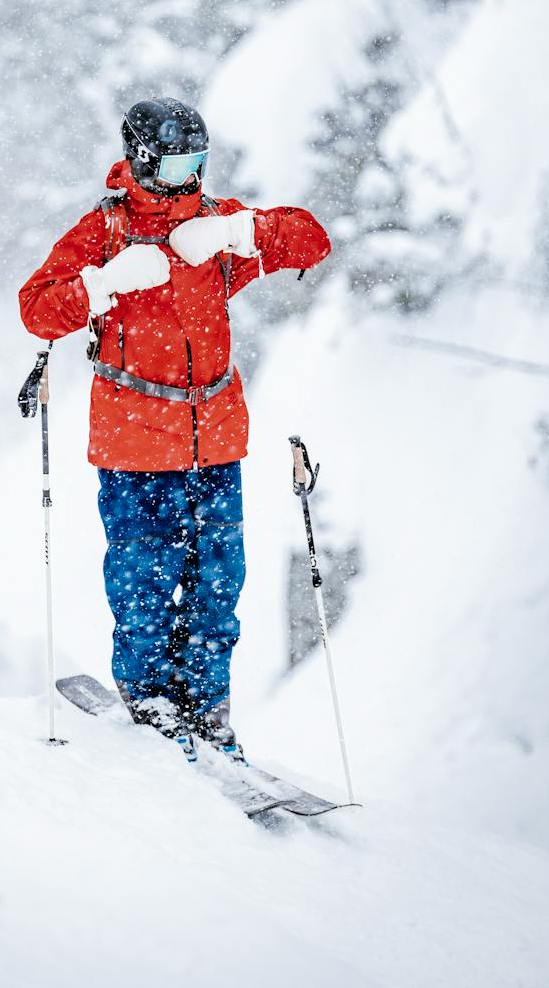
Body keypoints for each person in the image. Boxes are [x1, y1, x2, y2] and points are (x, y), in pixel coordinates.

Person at [18, 97, 330, 759]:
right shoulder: (102, 233)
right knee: (145, 580)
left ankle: (208, 706)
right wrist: (103, 283)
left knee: (221, 580)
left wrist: (242, 231)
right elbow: (37, 308)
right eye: (173, 164)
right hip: (133, 447)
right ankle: (151, 698)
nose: (186, 178)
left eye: (197, 163)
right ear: (139, 159)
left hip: (215, 440)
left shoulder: (212, 228)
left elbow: (310, 238)